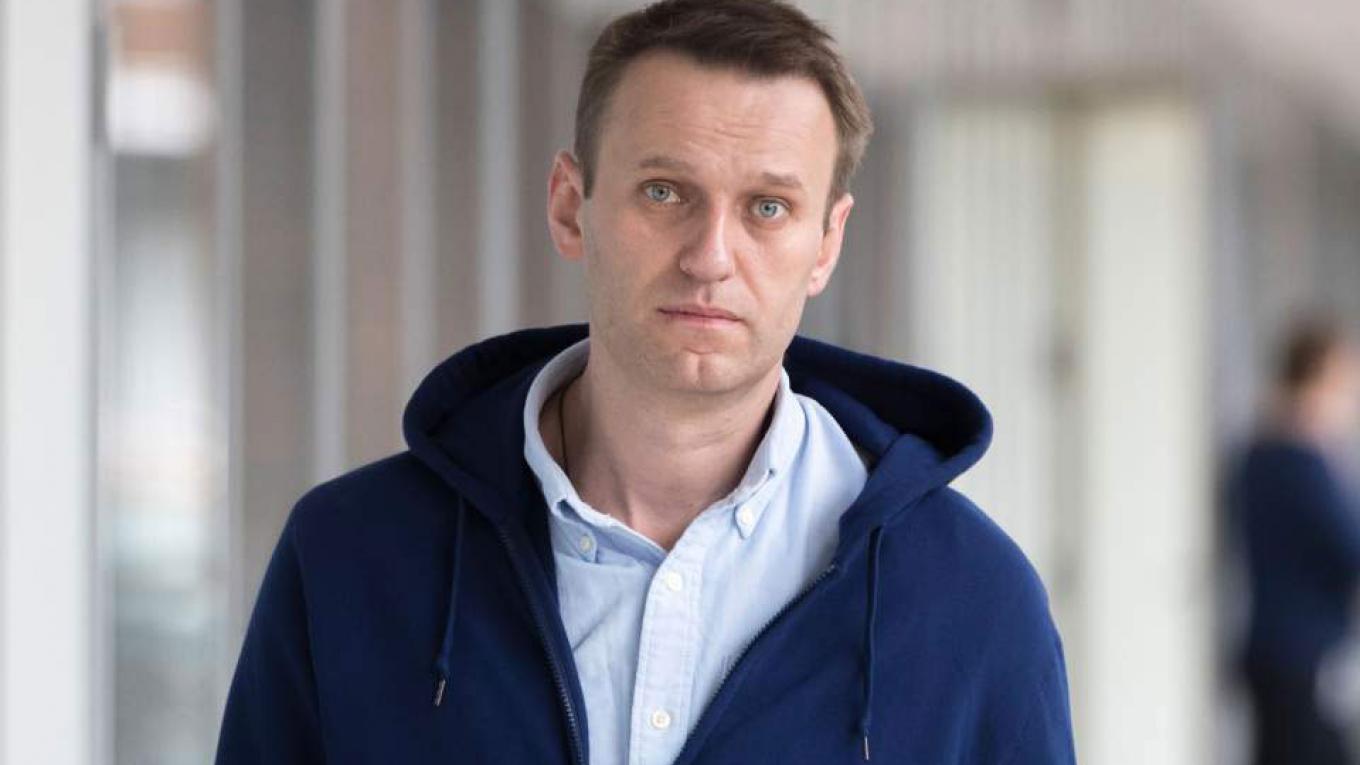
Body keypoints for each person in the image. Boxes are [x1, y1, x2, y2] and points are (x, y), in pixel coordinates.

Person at [215, 1, 1074, 762]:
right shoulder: (350, 559)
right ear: (569, 205)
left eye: (767, 207)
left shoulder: (969, 602)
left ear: (826, 243)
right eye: (665, 192)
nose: (710, 256)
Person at [1231, 317, 1360, 765]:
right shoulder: (1302, 465)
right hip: (1302, 661)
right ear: (1317, 382)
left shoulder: (1257, 454)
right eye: (1344, 385)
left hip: (1273, 652)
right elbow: (1350, 549)